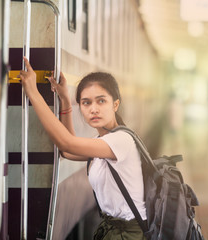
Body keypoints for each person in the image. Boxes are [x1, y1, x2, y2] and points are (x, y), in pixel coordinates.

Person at [19, 57, 147, 240]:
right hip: (114, 230)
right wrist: (64, 99)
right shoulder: (103, 141)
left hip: (129, 233)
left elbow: (67, 143)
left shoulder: (121, 141)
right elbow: (69, 151)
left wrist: (33, 92)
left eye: (101, 101)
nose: (93, 109)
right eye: (86, 103)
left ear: (115, 104)